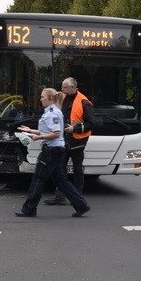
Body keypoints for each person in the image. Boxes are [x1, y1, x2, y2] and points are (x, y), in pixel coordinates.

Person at [15, 88, 90, 218]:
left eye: (43, 97)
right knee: (61, 181)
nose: (40, 99)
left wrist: (38, 138)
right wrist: (31, 130)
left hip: (50, 151)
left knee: (38, 180)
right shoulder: (54, 111)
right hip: (56, 151)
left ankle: (29, 209)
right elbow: (50, 131)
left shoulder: (52, 113)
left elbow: (55, 134)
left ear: (50, 98)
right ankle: (81, 205)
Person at [44, 77, 94, 206]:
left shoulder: (83, 102)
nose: (62, 89)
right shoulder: (63, 97)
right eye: (62, 87)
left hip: (78, 141)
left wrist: (74, 129)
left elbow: (91, 123)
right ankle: (59, 197)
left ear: (73, 87)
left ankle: (77, 198)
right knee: (60, 168)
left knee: (77, 170)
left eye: (64, 87)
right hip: (64, 141)